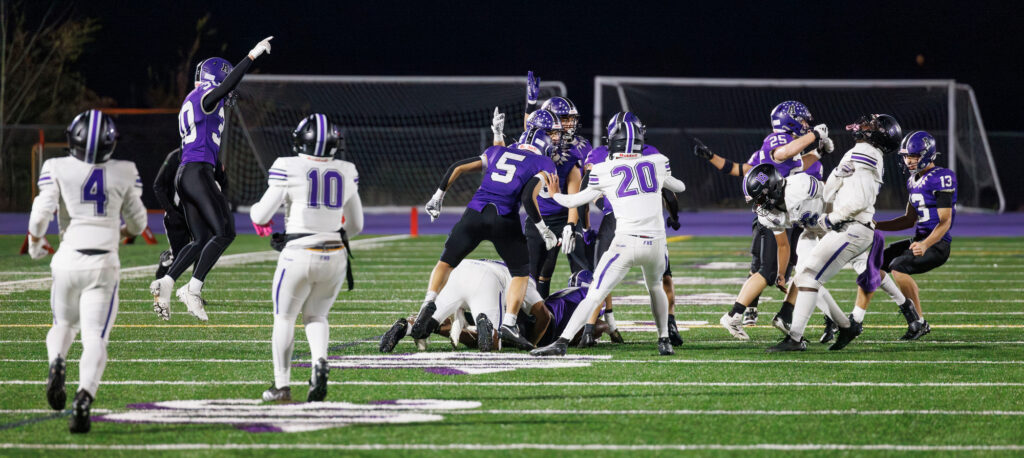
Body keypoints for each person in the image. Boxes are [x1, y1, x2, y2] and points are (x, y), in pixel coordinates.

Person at [530, 112, 687, 357]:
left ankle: (561, 342)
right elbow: (680, 187)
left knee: (595, 294)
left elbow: (576, 199)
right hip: (656, 244)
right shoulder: (658, 161)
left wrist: (554, 194)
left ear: (613, 142)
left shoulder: (604, 169)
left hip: (625, 243)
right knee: (655, 287)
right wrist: (662, 180)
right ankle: (664, 340)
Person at [30, 110, 148, 433]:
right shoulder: (124, 171)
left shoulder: (56, 167)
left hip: (67, 259)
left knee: (63, 324)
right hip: (103, 264)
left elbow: (39, 217)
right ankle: (84, 396)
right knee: (95, 336)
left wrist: (36, 240)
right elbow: (139, 223)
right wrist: (125, 230)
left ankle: (57, 361)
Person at [150, 36, 273, 321]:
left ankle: (166, 283)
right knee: (226, 232)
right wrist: (252, 55)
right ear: (216, 80)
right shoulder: (205, 97)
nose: (230, 92)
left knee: (201, 238)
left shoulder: (195, 102)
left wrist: (216, 176)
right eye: (226, 83)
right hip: (195, 171)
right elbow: (227, 87)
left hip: (189, 172)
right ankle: (192, 290)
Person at [693, 101, 832, 337]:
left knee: (793, 267)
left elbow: (795, 162)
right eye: (802, 120)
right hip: (775, 208)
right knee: (773, 267)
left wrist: (817, 151)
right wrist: (814, 135)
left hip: (786, 210)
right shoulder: (778, 141)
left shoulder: (792, 150)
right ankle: (742, 314)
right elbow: (771, 158)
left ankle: (762, 313)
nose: (806, 124)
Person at [249, 114, 363, 403]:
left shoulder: (287, 165)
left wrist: (259, 217)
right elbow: (356, 225)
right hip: (335, 254)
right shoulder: (347, 169)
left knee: (285, 317)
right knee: (317, 315)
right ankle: (319, 361)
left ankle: (282, 386)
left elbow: (261, 215)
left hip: (299, 254)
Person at [420, 126, 558, 350]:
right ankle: (509, 323)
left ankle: (427, 305)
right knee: (521, 273)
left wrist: (438, 196)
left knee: (446, 262)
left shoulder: (497, 152)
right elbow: (527, 196)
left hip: (474, 213)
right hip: (504, 218)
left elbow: (458, 167)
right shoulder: (544, 162)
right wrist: (543, 228)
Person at [774, 114, 903, 352]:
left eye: (871, 125)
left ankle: (795, 338)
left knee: (808, 277)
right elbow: (828, 194)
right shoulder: (859, 151)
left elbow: (861, 200)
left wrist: (829, 218)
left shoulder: (867, 152)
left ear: (877, 135)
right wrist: (836, 175)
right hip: (848, 227)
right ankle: (845, 326)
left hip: (852, 228)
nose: (864, 125)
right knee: (804, 275)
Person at [577, 116, 682, 347]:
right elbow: (668, 191)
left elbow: (584, 192)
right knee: (662, 277)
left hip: (614, 219)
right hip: (641, 223)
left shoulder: (598, 155)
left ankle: (588, 328)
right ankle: (668, 326)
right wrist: (674, 216)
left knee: (602, 278)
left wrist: (585, 227)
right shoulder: (651, 153)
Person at [859, 131, 956, 340]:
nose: (909, 161)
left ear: (927, 154)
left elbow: (945, 221)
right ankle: (857, 318)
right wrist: (874, 225)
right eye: (906, 156)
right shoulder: (913, 181)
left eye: (914, 156)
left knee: (898, 267)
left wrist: (927, 244)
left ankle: (918, 321)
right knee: (875, 263)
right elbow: (907, 220)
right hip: (919, 240)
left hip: (937, 245)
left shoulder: (942, 177)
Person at [379, 259, 545, 352]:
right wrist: (532, 343)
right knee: (494, 343)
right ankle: (485, 326)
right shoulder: (525, 279)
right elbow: (544, 316)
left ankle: (406, 326)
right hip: (486, 280)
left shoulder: (501, 264)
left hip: (459, 271)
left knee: (426, 323)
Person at [151, 148, 227, 279]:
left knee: (204, 250)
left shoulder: (211, 157)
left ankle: (194, 290)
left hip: (201, 213)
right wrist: (170, 211)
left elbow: (223, 183)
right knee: (180, 257)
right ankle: (166, 260)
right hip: (178, 214)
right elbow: (158, 185)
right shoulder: (175, 157)